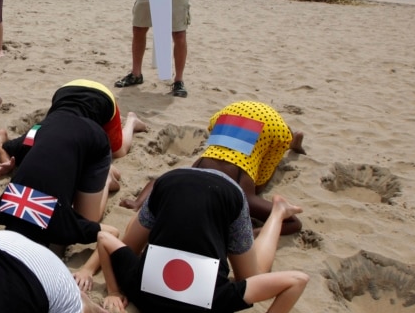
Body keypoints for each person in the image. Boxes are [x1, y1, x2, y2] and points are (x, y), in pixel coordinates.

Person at [89, 167, 308, 313]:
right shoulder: (141, 289)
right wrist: (115, 290)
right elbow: (105, 240)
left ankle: (278, 212)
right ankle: (278, 212)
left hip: (219, 192)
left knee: (252, 276)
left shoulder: (218, 301)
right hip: (172, 182)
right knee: (129, 249)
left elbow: (297, 281)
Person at [0, 80, 145, 249]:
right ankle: (102, 177)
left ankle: (131, 122)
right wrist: (10, 163)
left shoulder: (36, 130)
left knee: (118, 152)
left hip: (103, 102)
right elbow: (3, 148)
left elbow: (4, 148)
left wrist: (11, 163)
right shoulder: (38, 129)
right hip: (66, 92)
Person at [120, 100, 306, 235]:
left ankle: (291, 141)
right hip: (230, 114)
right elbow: (158, 182)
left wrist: (255, 234)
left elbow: (293, 223)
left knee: (259, 185)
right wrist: (137, 202)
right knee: (256, 181)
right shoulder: (188, 182)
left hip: (247, 119)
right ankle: (294, 141)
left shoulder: (244, 200)